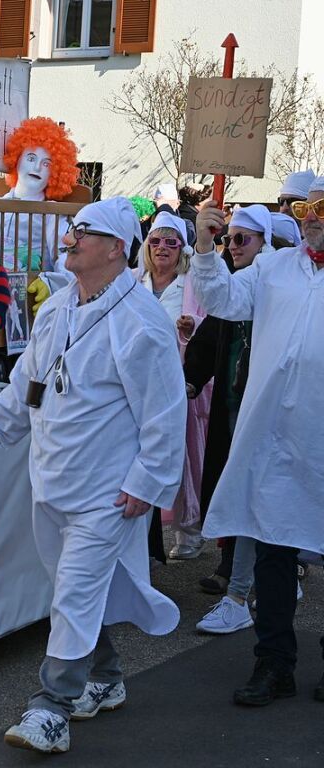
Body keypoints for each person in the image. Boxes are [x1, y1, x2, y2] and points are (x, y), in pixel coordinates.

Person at [0, 197, 186, 754]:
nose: (72, 237)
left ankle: (51, 708)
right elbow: (26, 381)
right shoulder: (57, 308)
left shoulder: (141, 322)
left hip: (107, 492)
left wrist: (146, 482)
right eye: (75, 229)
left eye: (86, 232)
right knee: (72, 590)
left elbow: (165, 411)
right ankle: (104, 677)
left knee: (76, 594)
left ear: (114, 249)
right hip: (52, 479)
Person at [191, 180, 324, 706]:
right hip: (274, 438)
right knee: (273, 550)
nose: (311, 216)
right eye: (302, 208)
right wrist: (205, 246)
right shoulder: (272, 268)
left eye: (322, 206)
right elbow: (222, 298)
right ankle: (274, 663)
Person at [184, 206, 273, 634]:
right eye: (230, 239)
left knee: (268, 502)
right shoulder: (239, 288)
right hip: (237, 411)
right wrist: (189, 381)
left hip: (278, 415)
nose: (233, 247)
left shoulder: (278, 286)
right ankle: (238, 588)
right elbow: (211, 329)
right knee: (242, 495)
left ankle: (268, 579)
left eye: (242, 239)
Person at [136, 211, 210, 562]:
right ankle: (145, 534)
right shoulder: (134, 281)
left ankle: (188, 530)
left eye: (171, 242)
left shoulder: (191, 283)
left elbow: (211, 322)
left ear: (182, 249)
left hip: (179, 381)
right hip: (140, 383)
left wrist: (191, 324)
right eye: (156, 241)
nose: (162, 248)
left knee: (185, 458)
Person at [0, 117, 79, 272]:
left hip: (30, 292)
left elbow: (66, 258)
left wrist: (50, 283)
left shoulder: (52, 215)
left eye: (46, 164)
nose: (37, 167)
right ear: (16, 159)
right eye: (31, 158)